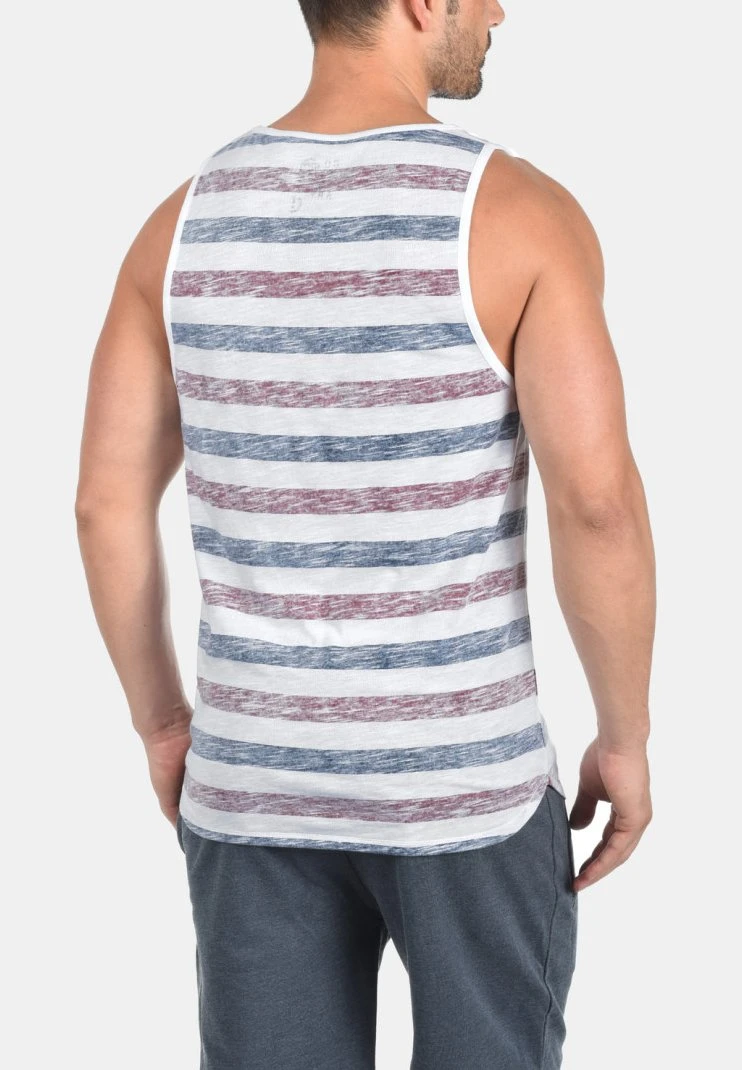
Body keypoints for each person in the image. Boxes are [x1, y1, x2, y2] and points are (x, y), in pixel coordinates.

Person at [75, 1, 655, 1066]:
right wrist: (624, 736)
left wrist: (162, 722)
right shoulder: (517, 214)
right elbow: (596, 503)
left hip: (256, 782)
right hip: (463, 789)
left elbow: (104, 504)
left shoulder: (180, 224)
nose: (498, 10)